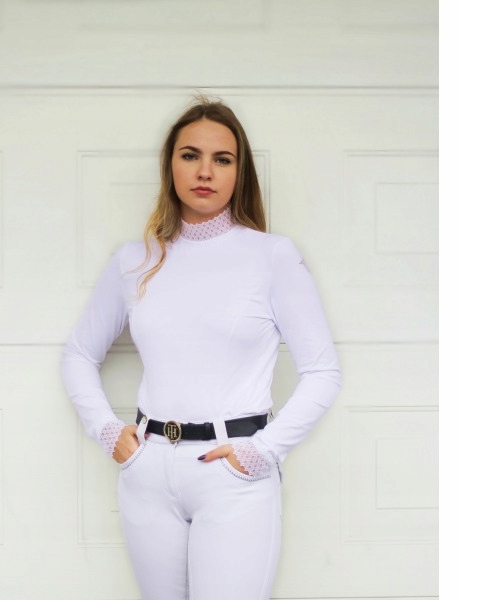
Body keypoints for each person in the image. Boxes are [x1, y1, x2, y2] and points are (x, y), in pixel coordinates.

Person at [61, 96, 341, 600]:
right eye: (190, 155)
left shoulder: (272, 257)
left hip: (234, 475)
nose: (205, 171)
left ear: (240, 172)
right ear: (170, 165)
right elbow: (79, 355)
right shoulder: (135, 261)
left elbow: (323, 372)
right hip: (148, 472)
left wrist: (262, 452)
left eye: (222, 159)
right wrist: (107, 431)